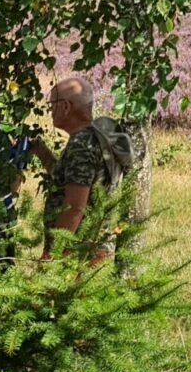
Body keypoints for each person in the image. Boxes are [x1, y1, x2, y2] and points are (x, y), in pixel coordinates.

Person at [36, 79, 147, 260]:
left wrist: (53, 254)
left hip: (76, 252)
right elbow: (71, 179)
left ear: (65, 106)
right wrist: (41, 152)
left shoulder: (81, 146)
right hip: (93, 245)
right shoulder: (93, 139)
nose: (50, 111)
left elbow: (75, 207)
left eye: (52, 105)